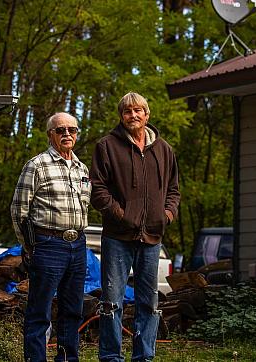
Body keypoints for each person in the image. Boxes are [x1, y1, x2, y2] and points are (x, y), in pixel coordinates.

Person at [90, 92, 180, 361]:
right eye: (128, 111)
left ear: (147, 114)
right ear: (121, 116)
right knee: (112, 302)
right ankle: (110, 357)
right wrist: (122, 215)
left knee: (149, 304)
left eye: (138, 110)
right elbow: (97, 190)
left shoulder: (163, 149)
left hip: (153, 237)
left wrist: (167, 215)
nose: (133, 115)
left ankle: (144, 357)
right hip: (117, 237)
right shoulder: (106, 146)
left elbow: (174, 190)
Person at [10, 112, 91, 362]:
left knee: (72, 311)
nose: (67, 134)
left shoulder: (82, 168)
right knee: (39, 312)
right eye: (61, 130)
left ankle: (67, 359)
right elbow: (18, 210)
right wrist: (31, 246)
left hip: (78, 245)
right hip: (47, 244)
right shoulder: (37, 165)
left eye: (72, 130)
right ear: (50, 134)